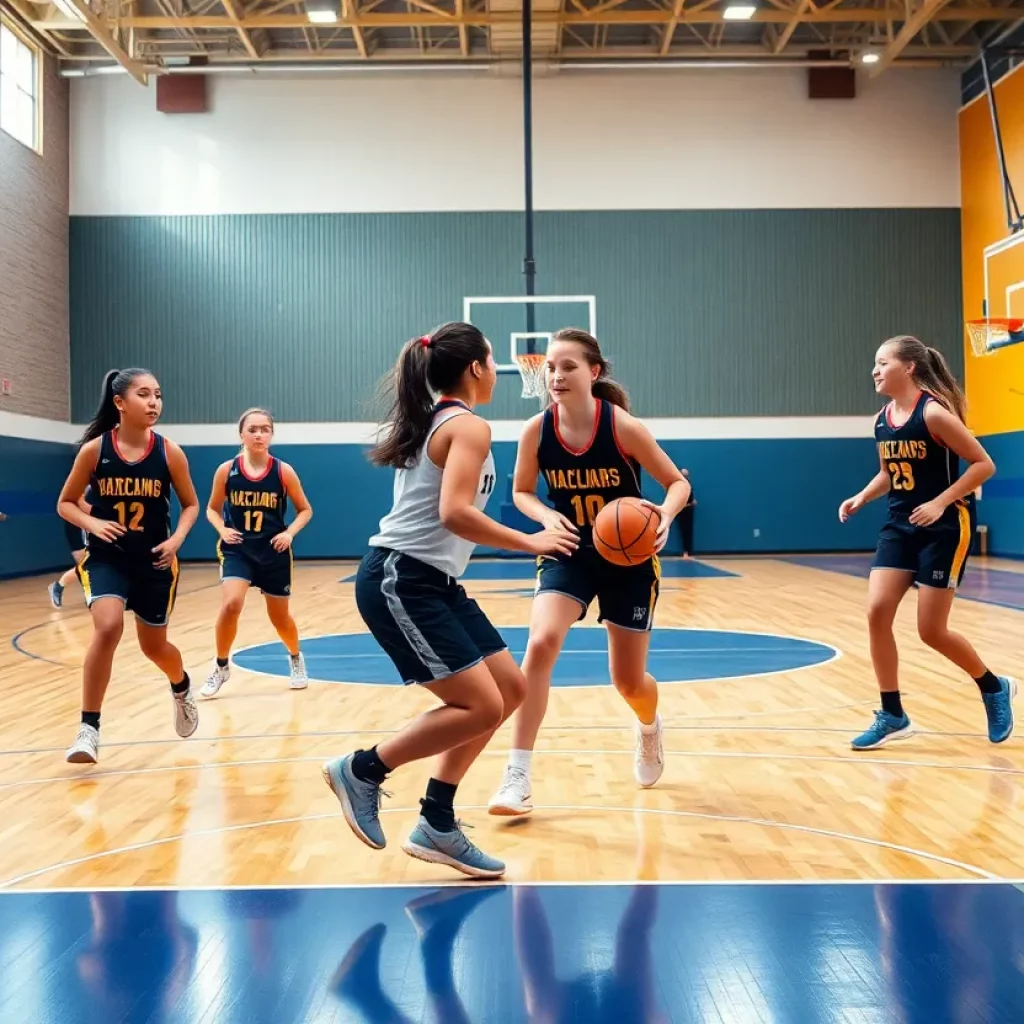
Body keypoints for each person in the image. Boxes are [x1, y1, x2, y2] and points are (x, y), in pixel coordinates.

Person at [320, 322, 577, 879]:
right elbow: (455, 513)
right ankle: (362, 770)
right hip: (401, 579)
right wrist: (530, 540)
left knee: (511, 688)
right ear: (477, 368)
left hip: (433, 581)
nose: (498, 372)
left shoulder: (436, 420)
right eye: (491, 360)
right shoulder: (467, 426)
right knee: (481, 705)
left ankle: (436, 820)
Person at [488, 327, 691, 817]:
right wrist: (543, 516)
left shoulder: (621, 426)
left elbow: (676, 483)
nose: (556, 376)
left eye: (568, 367)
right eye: (551, 368)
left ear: (593, 372)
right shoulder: (537, 430)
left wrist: (663, 516)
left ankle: (648, 726)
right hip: (569, 548)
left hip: (629, 559)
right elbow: (521, 492)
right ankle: (517, 774)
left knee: (627, 681)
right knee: (539, 644)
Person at [839, 334, 1015, 749]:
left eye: (882, 363)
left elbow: (983, 464)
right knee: (877, 612)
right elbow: (889, 472)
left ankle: (993, 686)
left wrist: (939, 502)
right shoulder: (882, 419)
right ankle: (893, 713)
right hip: (899, 524)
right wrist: (862, 497)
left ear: (909, 367)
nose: (875, 371)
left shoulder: (934, 413)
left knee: (931, 631)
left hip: (945, 526)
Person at [57, 368, 201, 764]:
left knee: (154, 648)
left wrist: (175, 540)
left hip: (154, 561)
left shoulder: (169, 452)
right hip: (108, 558)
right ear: (120, 402)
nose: (154, 402)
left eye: (158, 394)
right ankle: (88, 729)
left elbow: (191, 504)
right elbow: (65, 503)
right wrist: (93, 523)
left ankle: (181, 685)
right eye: (144, 394)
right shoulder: (95, 450)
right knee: (107, 626)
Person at [201, 408, 313, 696]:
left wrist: (289, 533)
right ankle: (221, 665)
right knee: (231, 604)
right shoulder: (227, 470)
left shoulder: (282, 471)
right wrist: (222, 529)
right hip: (237, 549)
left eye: (265, 429)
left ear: (271, 434)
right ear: (242, 434)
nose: (259, 434)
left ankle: (295, 657)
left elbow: (305, 510)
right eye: (253, 429)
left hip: (273, 551)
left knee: (280, 618)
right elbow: (211, 509)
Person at [48, 489, 94, 608]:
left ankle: (92, 595)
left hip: (86, 526)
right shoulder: (82, 488)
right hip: (78, 527)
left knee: (89, 566)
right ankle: (58, 586)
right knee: (86, 564)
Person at [677, 468, 696, 558]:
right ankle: (686, 551)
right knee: (684, 531)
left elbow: (691, 499)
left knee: (687, 531)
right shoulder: (679, 486)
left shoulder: (688, 486)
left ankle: (687, 551)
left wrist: (691, 502)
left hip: (687, 510)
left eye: (686, 475)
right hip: (681, 510)